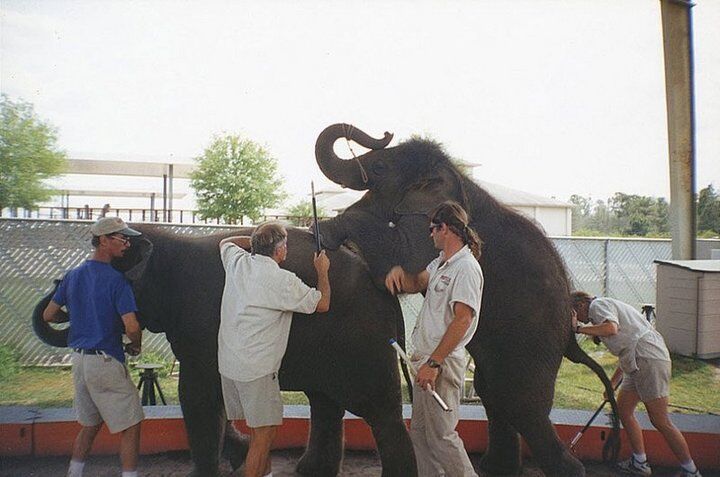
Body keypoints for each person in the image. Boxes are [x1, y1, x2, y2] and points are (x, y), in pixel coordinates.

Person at [217, 222, 331, 477]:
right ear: (280, 250)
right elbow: (322, 303)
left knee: (260, 432)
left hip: (229, 365)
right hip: (256, 370)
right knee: (264, 433)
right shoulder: (282, 280)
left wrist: (255, 239)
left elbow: (226, 243)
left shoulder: (237, 262)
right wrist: (322, 270)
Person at [385, 201, 483, 477]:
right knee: (420, 435)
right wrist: (401, 276)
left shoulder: (465, 268)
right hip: (425, 360)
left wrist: (434, 363)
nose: (430, 234)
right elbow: (418, 282)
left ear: (447, 229)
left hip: (440, 362)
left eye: (432, 229)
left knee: (441, 436)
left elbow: (462, 320)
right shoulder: (441, 263)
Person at [42, 216, 144, 477]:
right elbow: (131, 326)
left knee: (90, 424)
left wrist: (76, 315)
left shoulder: (73, 276)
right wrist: (136, 345)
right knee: (131, 424)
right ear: (103, 241)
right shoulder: (117, 281)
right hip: (105, 361)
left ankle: (74, 473)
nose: (126, 243)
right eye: (121, 238)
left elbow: (49, 315)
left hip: (80, 362)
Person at [571, 291, 702, 477]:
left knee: (660, 420)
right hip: (637, 361)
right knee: (624, 410)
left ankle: (691, 471)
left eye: (577, 314)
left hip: (648, 358)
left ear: (581, 304)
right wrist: (612, 383)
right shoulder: (601, 309)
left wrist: (577, 329)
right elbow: (627, 346)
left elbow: (611, 329)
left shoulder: (597, 306)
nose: (583, 321)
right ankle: (640, 463)